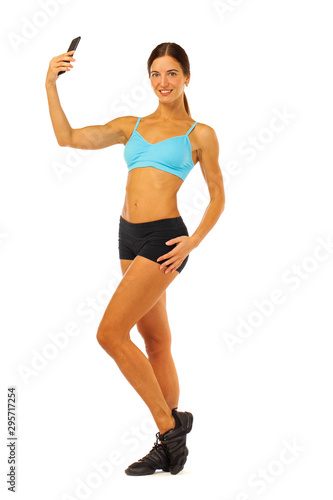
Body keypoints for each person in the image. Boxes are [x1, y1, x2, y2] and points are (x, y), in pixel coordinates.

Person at [45, 41, 225, 475]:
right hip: (128, 237)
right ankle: (175, 421)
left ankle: (169, 434)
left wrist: (194, 240)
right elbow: (67, 138)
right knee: (156, 341)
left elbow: (218, 196)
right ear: (150, 79)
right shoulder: (133, 124)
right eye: (156, 74)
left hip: (165, 239)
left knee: (109, 333)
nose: (163, 82)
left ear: (186, 78)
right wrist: (50, 83)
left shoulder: (199, 133)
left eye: (172, 74)